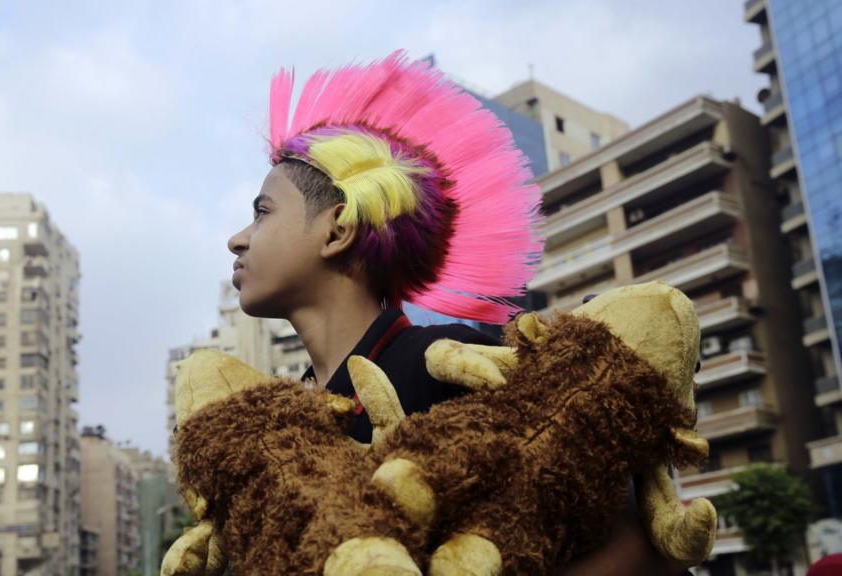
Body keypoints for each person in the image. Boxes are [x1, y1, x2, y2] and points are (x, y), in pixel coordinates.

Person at [226, 51, 687, 575]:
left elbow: (633, 534)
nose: (236, 240)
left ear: (337, 230)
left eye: (262, 212)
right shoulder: (284, 418)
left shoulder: (454, 364)